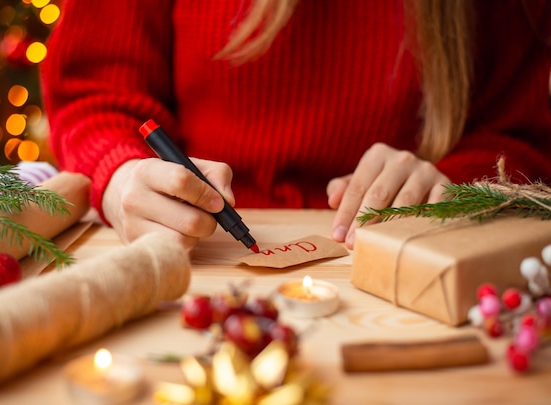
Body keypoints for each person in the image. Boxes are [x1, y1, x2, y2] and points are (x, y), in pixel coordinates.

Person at [41, 0, 551, 250]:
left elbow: (521, 134)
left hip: (406, 255)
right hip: (193, 251)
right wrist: (122, 175)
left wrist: (455, 183)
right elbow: (93, 95)